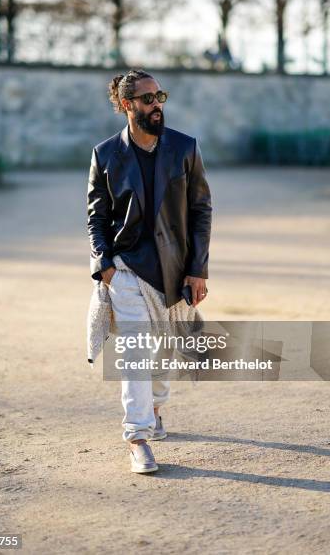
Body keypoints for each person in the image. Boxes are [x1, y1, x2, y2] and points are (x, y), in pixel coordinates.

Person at [87, 68, 212, 473]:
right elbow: (96, 217)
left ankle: (155, 407)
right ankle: (137, 436)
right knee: (135, 355)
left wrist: (198, 270)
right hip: (126, 272)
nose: (157, 105)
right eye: (147, 99)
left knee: (164, 354)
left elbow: (200, 210)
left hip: (174, 273)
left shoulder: (184, 148)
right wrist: (104, 265)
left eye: (160, 96)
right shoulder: (105, 154)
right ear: (127, 105)